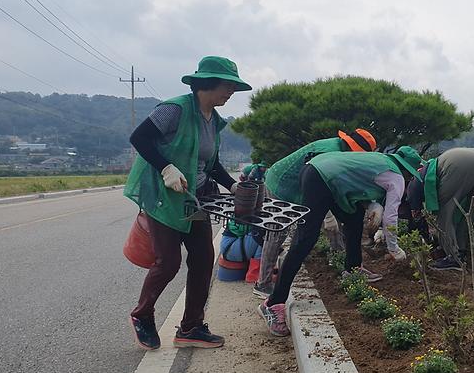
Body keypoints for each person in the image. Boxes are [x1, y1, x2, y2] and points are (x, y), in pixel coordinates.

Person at [124, 56, 252, 350]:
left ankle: (191, 327)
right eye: (228, 85)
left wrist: (231, 184)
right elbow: (140, 138)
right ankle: (142, 315)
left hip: (193, 201)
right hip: (163, 198)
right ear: (208, 83)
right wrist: (166, 168)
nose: (231, 92)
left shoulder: (214, 121)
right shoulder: (175, 109)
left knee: (203, 258)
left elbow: (211, 162)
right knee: (168, 263)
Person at [258, 146, 423, 337]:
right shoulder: (396, 177)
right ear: (406, 171)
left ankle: (353, 269)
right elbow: (391, 216)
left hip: (316, 170)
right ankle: (273, 303)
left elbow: (357, 184)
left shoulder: (381, 161)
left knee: (353, 218)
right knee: (306, 237)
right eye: (410, 176)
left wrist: (373, 205)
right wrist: (394, 248)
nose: (410, 179)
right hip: (320, 179)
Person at [252, 129, 377, 298]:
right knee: (277, 232)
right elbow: (314, 184)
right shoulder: (328, 151)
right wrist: (328, 216)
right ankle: (263, 284)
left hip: (302, 187)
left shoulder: (343, 153)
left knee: (351, 217)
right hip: (281, 183)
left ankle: (350, 266)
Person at [406, 147, 474, 270]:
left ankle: (454, 257)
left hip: (459, 164)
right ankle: (462, 250)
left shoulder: (413, 184)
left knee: (445, 212)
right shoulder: (428, 166)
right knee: (469, 211)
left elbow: (417, 216)